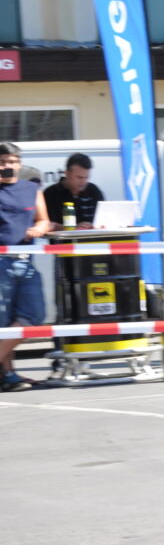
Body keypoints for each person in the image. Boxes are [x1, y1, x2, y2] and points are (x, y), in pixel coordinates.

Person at [0, 143, 51, 391]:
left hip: (25, 260)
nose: (7, 166)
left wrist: (39, 228)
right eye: (2, 161)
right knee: (2, 321)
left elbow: (43, 220)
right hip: (0, 262)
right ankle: (8, 375)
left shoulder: (32, 188)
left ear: (19, 163)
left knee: (32, 316)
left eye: (11, 161)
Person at [43, 152, 105, 230]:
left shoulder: (93, 191)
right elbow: (46, 224)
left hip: (94, 240)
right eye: (79, 177)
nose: (83, 182)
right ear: (67, 174)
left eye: (86, 177)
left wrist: (95, 226)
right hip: (64, 241)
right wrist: (73, 228)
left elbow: (104, 218)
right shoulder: (51, 193)